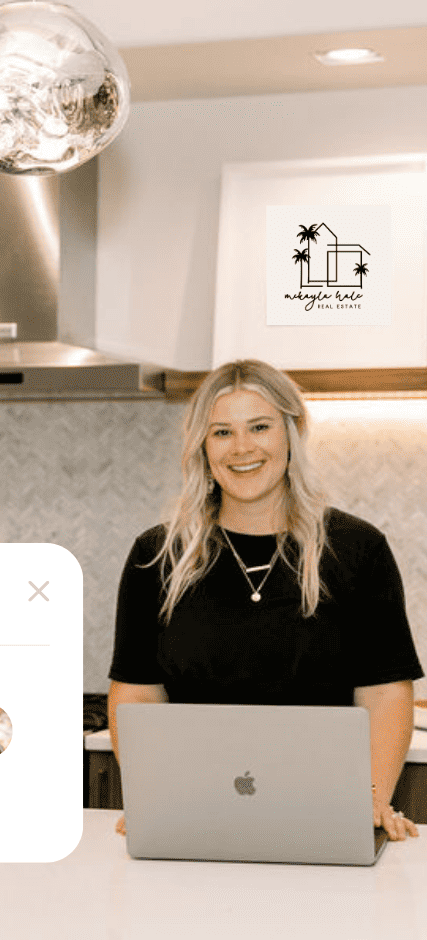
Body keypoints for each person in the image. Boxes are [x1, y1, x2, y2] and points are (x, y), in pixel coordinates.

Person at [107, 359, 422, 840]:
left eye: (259, 426)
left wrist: (373, 798)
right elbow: (137, 690)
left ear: (292, 433)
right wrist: (152, 790)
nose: (242, 448)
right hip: (193, 811)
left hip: (325, 812)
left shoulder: (357, 549)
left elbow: (383, 691)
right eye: (222, 433)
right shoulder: (157, 555)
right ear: (202, 448)